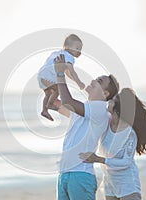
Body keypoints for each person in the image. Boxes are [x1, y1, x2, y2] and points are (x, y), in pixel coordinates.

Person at [54, 54, 119, 200]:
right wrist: (51, 102)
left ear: (105, 94)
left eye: (99, 81)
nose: (93, 80)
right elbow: (64, 107)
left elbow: (67, 101)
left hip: (80, 175)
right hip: (64, 173)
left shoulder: (100, 109)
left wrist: (60, 74)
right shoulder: (86, 109)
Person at [79, 88, 146, 200]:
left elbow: (126, 162)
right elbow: (88, 113)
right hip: (109, 182)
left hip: (127, 184)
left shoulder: (129, 133)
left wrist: (99, 159)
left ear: (117, 109)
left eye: (112, 100)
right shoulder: (106, 124)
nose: (109, 101)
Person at [37, 34, 85, 121]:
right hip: (49, 75)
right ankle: (50, 105)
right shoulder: (69, 56)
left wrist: (75, 80)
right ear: (67, 47)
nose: (79, 52)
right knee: (58, 89)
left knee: (48, 94)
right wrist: (79, 83)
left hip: (41, 75)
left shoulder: (58, 53)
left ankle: (44, 110)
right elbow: (72, 72)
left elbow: (68, 74)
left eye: (80, 49)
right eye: (77, 48)